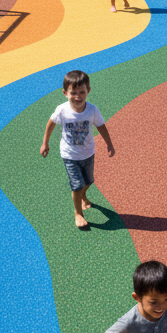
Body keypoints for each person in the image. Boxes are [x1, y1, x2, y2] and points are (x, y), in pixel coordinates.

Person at [40, 69, 115, 228]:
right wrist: (45, 143)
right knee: (77, 185)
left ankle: (82, 196)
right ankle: (78, 213)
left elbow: (101, 126)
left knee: (89, 181)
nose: (78, 96)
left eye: (82, 92)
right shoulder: (62, 110)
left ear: (88, 91)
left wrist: (109, 143)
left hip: (88, 153)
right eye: (73, 92)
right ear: (65, 93)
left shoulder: (92, 110)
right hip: (69, 155)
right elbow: (51, 124)